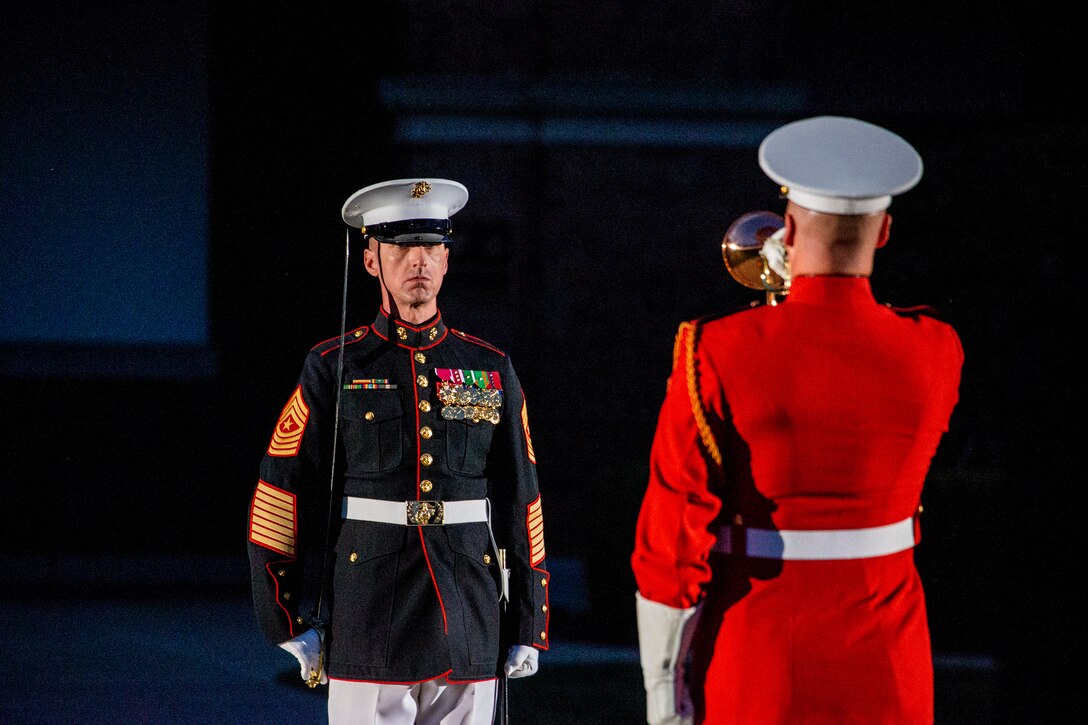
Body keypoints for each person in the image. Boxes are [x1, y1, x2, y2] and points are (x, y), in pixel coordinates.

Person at [630, 116, 963, 724]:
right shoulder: (936, 347)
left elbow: (673, 536)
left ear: (788, 226)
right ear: (885, 231)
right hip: (890, 662)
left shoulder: (717, 349)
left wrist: (662, 692)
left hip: (757, 655)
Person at [247, 178, 550, 725]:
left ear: (447, 259)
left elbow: (522, 498)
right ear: (371, 261)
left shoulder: (489, 366)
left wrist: (529, 622)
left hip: (469, 607)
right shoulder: (335, 366)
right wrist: (283, 618)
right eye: (401, 247)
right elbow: (280, 491)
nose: (419, 261)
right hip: (370, 608)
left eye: (432, 246)